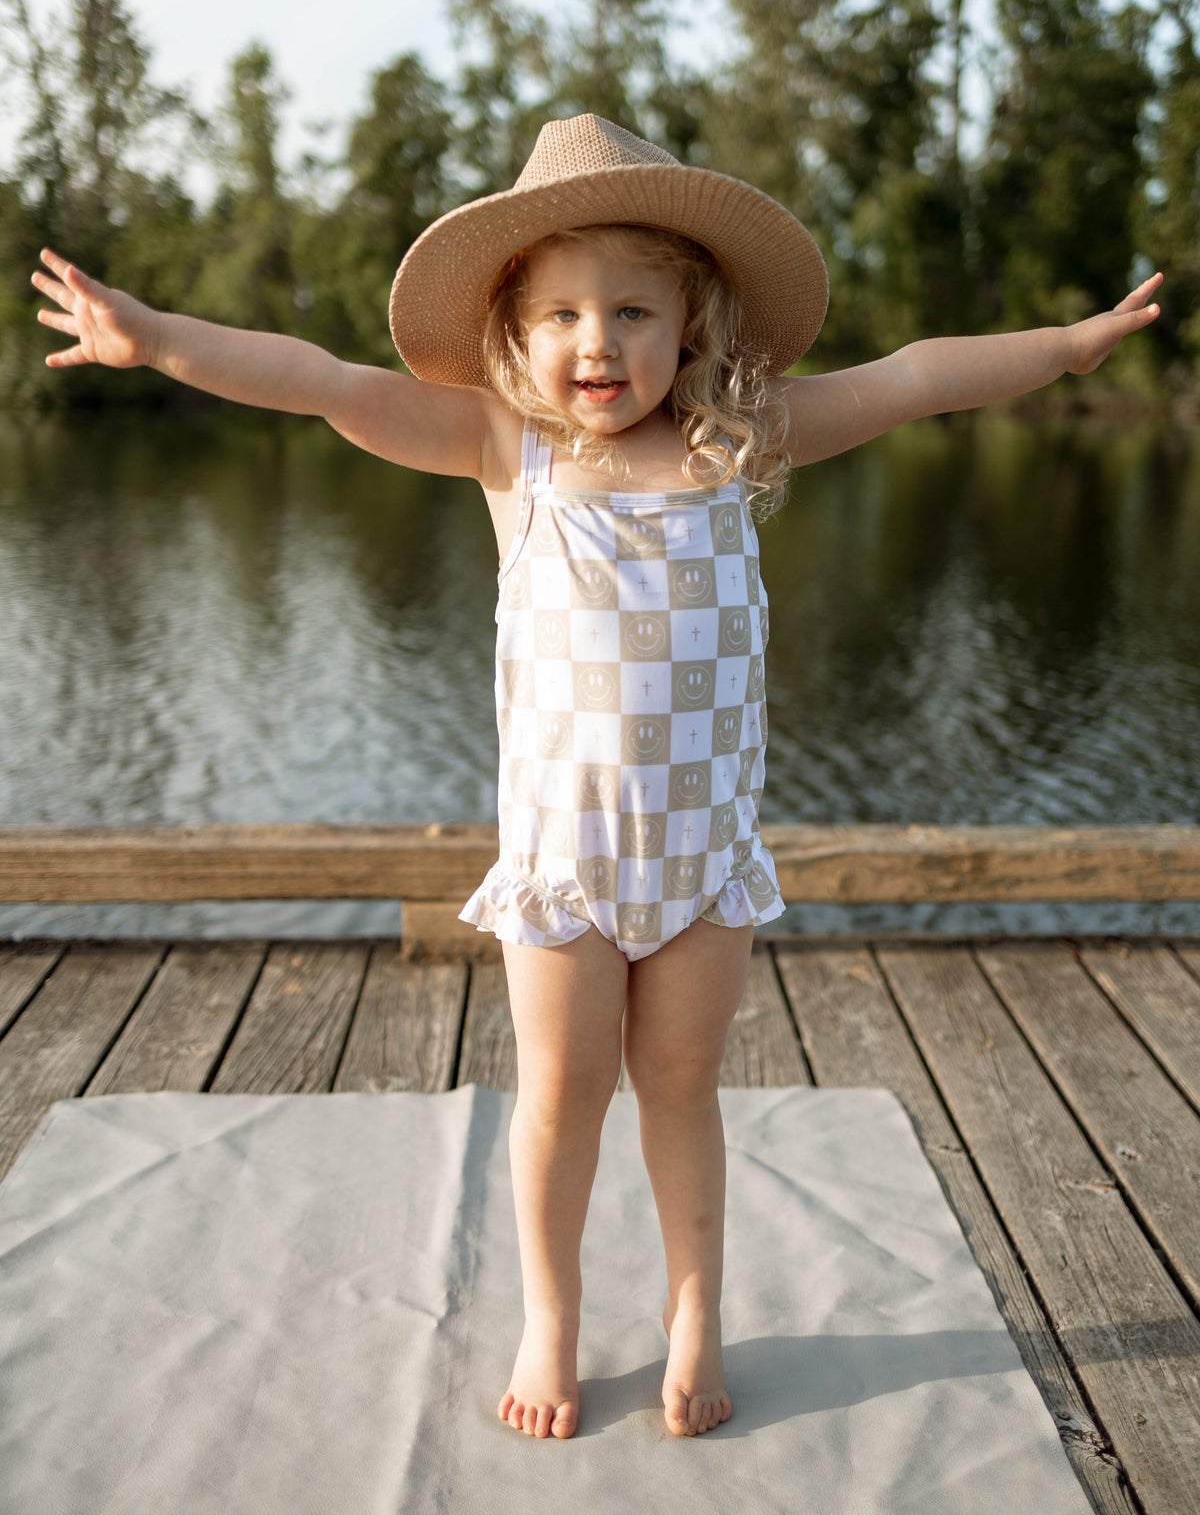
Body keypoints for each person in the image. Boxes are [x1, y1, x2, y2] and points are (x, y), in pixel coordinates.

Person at [31, 113, 1162, 1444]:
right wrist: (158, 339)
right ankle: (552, 1314)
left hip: (699, 858)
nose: (597, 345)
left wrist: (1071, 348)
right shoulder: (512, 454)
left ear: (692, 324)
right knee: (563, 1093)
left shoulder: (743, 443)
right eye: (562, 314)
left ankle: (695, 1309)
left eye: (633, 311)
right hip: (568, 859)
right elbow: (322, 379)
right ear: (514, 334)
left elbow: (918, 376)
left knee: (681, 1084)